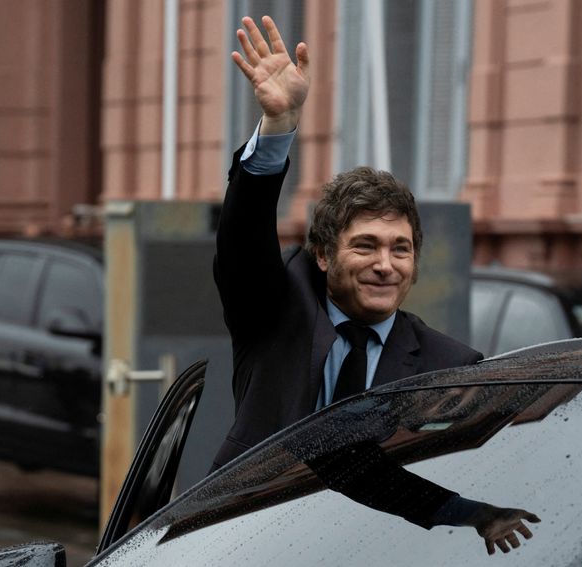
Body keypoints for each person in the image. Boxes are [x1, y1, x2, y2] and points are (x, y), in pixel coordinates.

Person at [213, 15, 538, 555]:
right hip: (246, 547)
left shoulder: (451, 365)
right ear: (323, 254)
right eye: (365, 245)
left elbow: (491, 463)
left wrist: (480, 515)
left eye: (400, 248)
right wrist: (278, 127)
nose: (385, 265)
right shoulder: (275, 310)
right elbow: (243, 242)